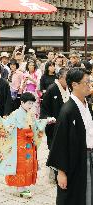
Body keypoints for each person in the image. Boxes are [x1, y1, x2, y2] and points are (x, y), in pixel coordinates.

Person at [0, 92, 55, 198]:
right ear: (22, 102)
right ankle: (20, 187)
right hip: (19, 144)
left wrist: (46, 121)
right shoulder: (15, 113)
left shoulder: (29, 114)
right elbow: (6, 125)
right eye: (29, 103)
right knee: (20, 165)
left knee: (28, 164)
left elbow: (36, 124)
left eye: (32, 104)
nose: (30, 106)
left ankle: (24, 185)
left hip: (29, 144)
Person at [47, 68, 93, 205]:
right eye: (86, 82)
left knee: (88, 194)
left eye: (90, 81)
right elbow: (60, 143)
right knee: (73, 196)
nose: (89, 85)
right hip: (74, 160)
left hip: (88, 156)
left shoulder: (87, 106)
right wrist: (61, 172)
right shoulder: (67, 110)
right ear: (74, 85)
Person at [40, 68, 69, 184]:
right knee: (55, 148)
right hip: (53, 125)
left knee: (64, 148)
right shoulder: (52, 89)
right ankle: (55, 174)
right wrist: (47, 119)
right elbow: (44, 108)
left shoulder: (69, 88)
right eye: (67, 77)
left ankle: (61, 171)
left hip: (65, 124)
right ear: (60, 77)